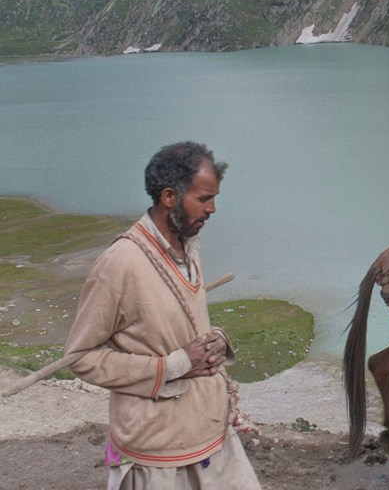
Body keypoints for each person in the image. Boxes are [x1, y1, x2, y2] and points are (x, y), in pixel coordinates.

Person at [63, 141, 261, 489]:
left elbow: (177, 324)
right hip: (156, 448)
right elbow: (81, 357)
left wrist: (215, 341)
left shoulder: (189, 244)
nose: (212, 209)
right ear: (169, 196)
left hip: (210, 430)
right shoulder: (120, 264)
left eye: (214, 198)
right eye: (204, 199)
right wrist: (174, 365)